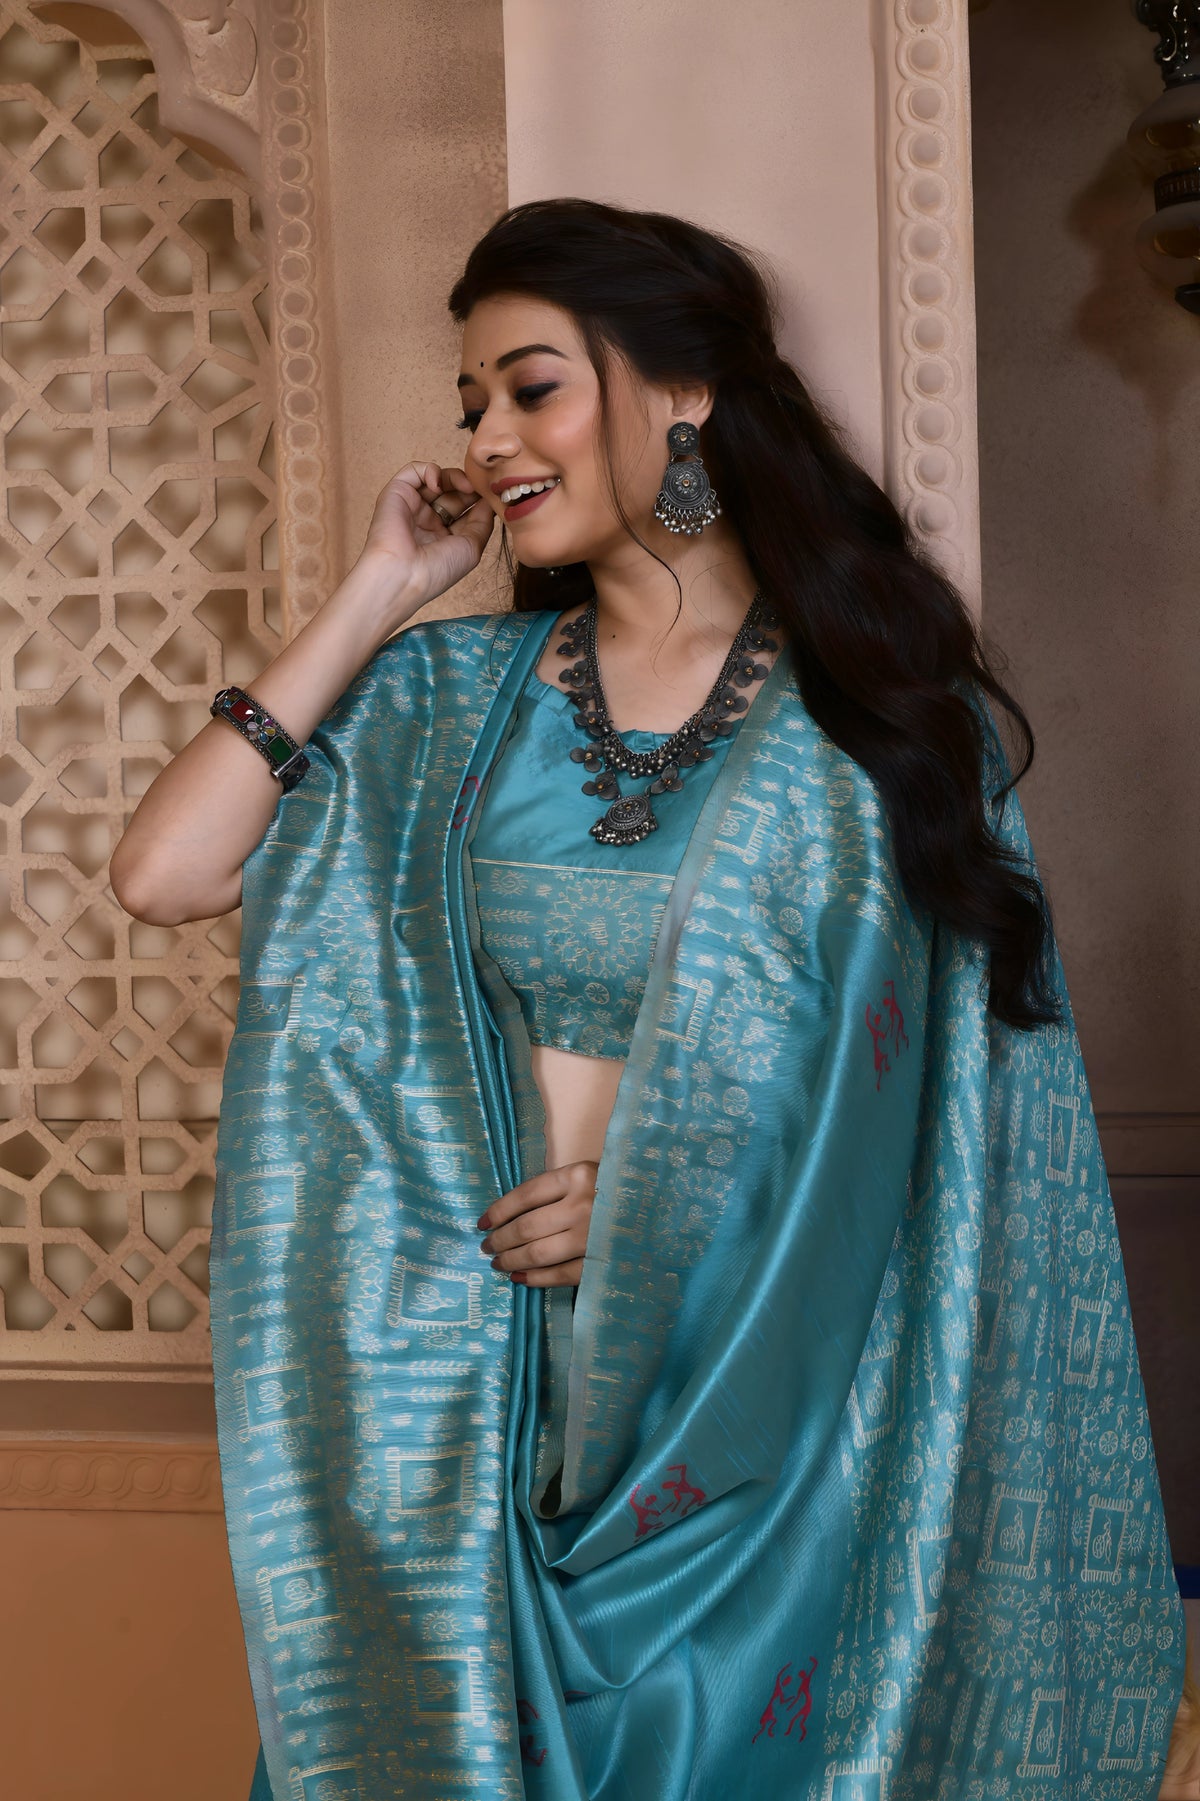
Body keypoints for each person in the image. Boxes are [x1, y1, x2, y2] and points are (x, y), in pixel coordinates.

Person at [110, 198, 1194, 1800]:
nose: (487, 435)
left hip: (745, 1413)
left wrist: (658, 1207)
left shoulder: (873, 731)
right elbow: (167, 874)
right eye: (470, 398)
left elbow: (920, 1122)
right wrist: (376, 591)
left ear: (683, 392)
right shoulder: (447, 701)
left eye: (530, 386)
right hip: (469, 1406)